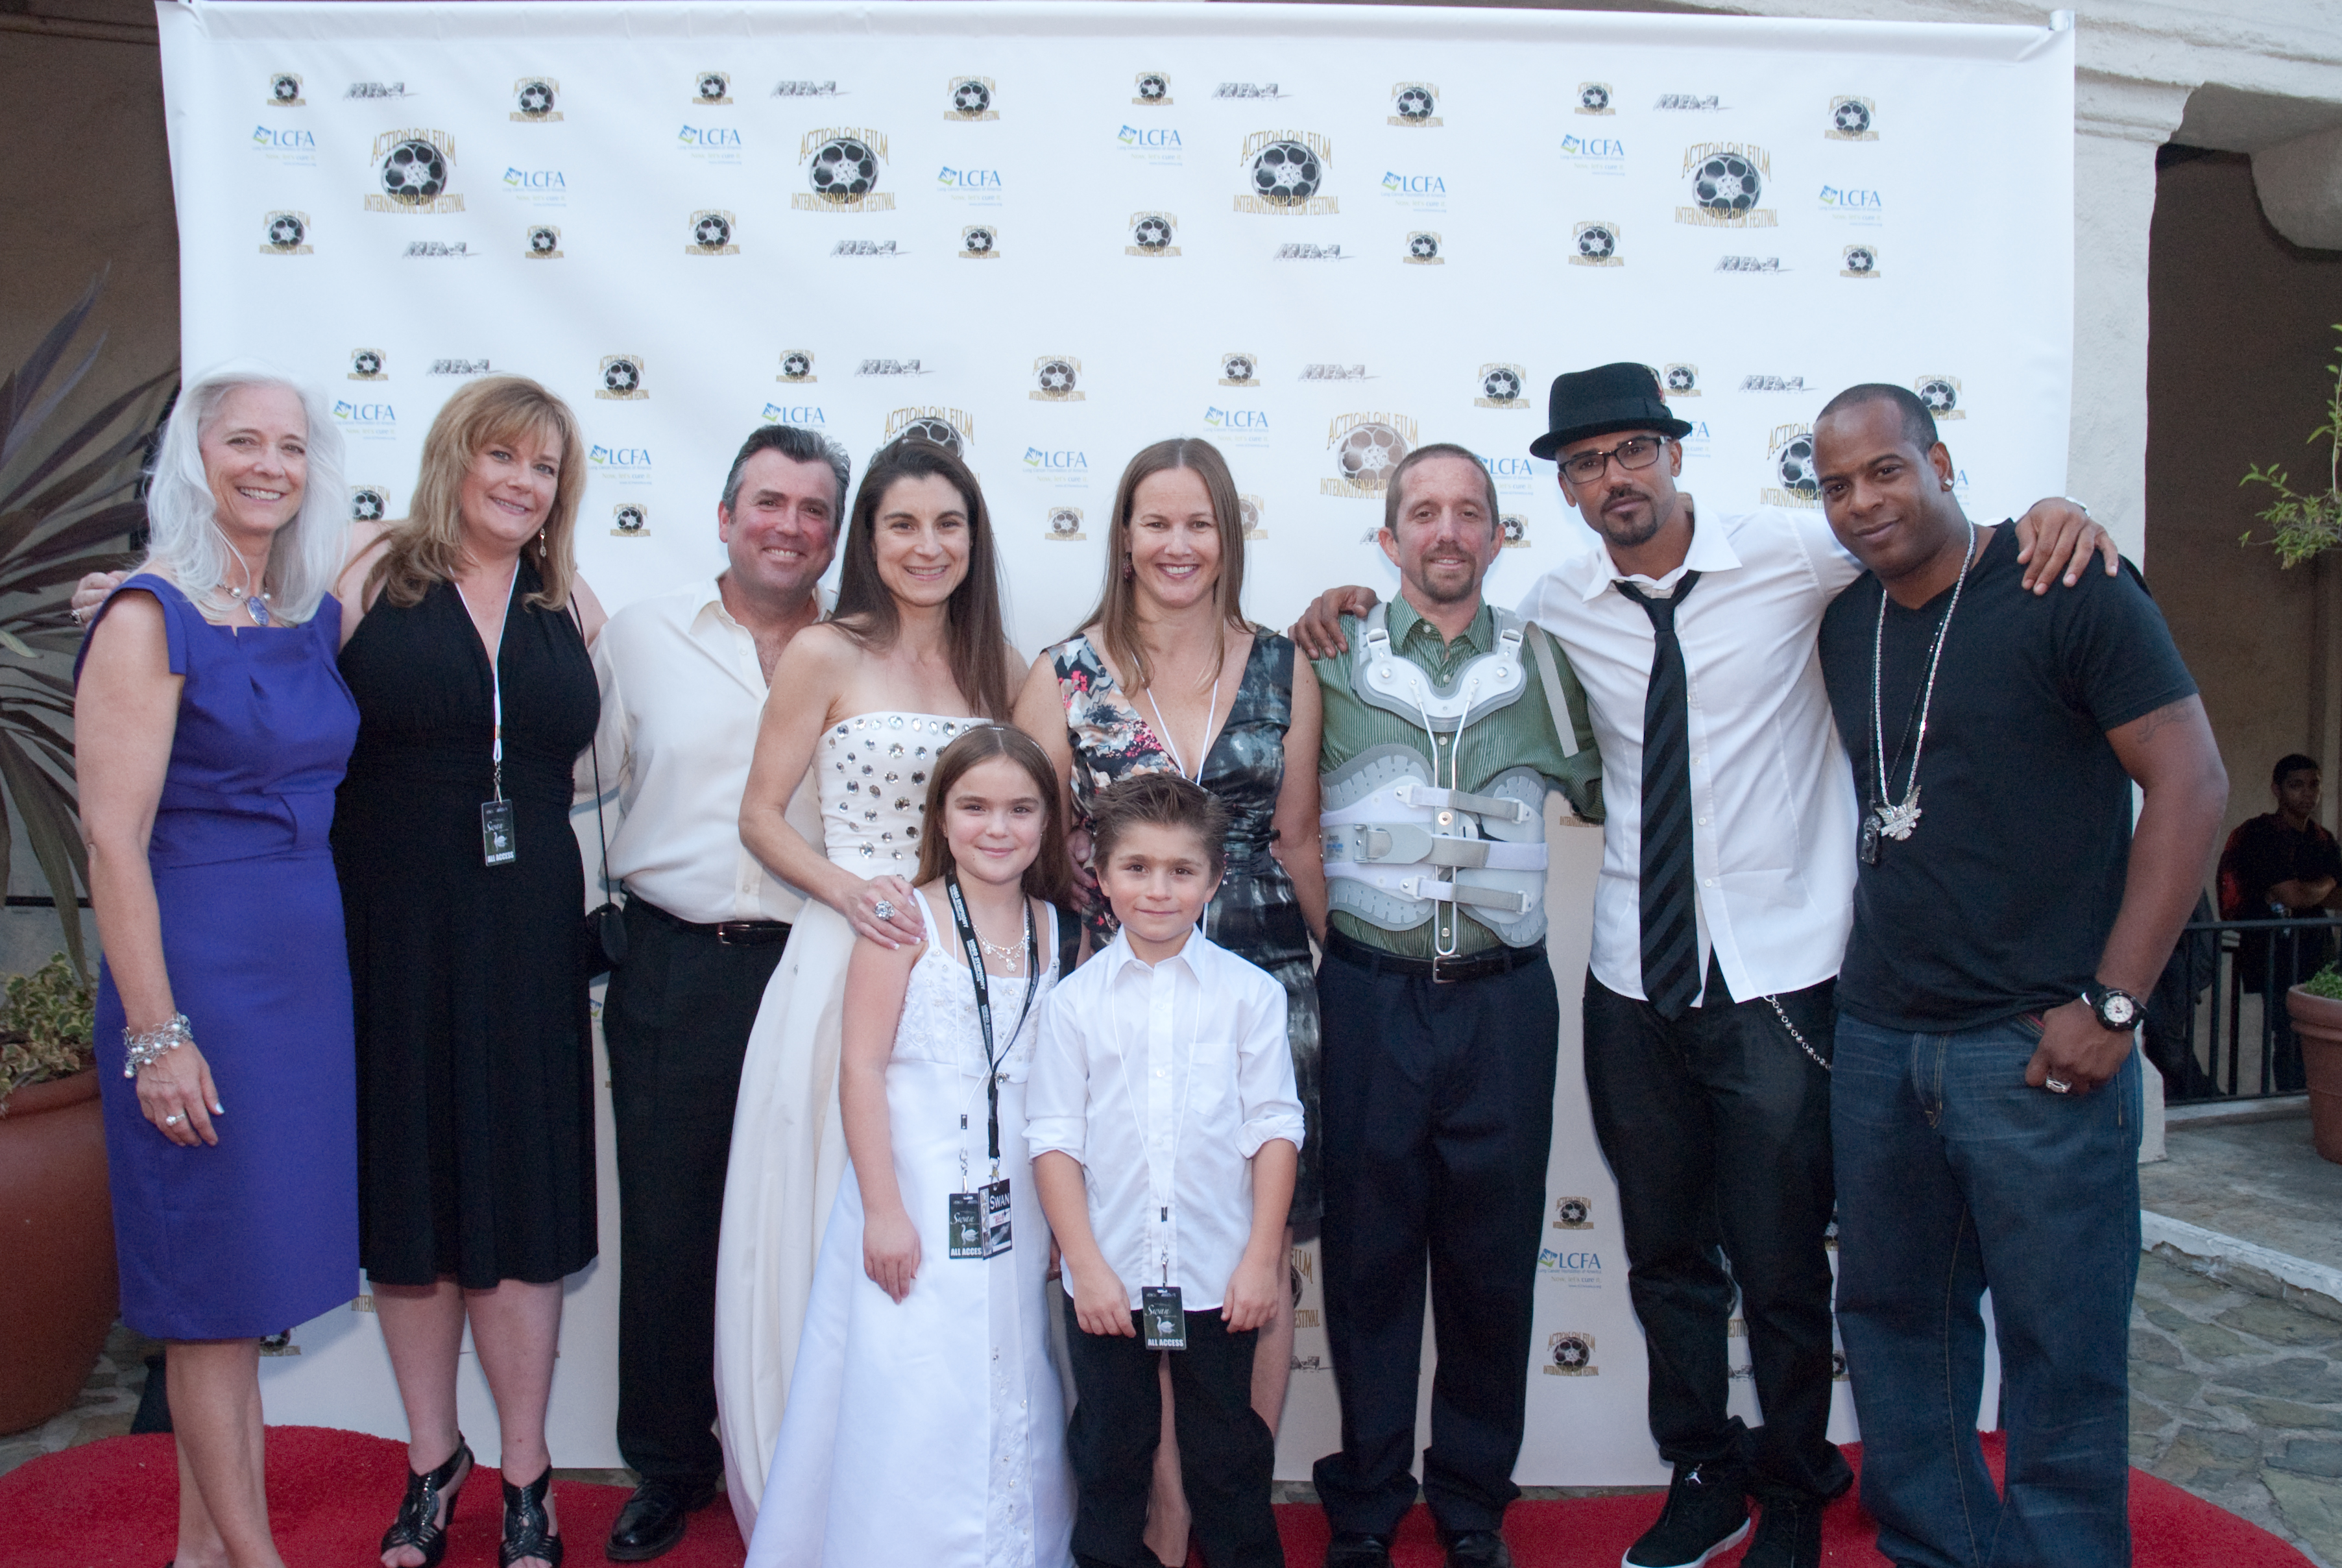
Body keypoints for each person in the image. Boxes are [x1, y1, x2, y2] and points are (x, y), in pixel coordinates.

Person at [1290, 363, 2115, 1568]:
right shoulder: (1561, 608)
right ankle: (1704, 1470)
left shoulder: (1798, 555)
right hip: (1631, 973)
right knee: (1667, 1255)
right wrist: (1337, 600)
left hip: (1780, 969)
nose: (1613, 477)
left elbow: (1931, 542)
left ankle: (1792, 1483)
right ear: (1563, 493)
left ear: (1674, 454)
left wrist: (2045, 517)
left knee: (1782, 1258)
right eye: (1585, 463)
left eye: (1633, 450)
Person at [1811, 383, 2227, 1568]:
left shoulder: (2068, 583)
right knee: (1893, 1329)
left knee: (2063, 1347)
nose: (1862, 502)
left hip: (2038, 1047)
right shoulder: (1846, 622)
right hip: (1883, 1041)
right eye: (1836, 485)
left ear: (1940, 460)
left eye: (1886, 470)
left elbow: (2193, 785)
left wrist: (2113, 1003)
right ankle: (1938, 1549)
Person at [1011, 437, 1324, 1565]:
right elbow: (1029, 840)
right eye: (1157, 522)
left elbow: (1296, 839)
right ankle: (1146, 1521)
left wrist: (1350, 976)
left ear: (1228, 537)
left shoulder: (1290, 663)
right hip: (1110, 982)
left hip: (1268, 991)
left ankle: (1220, 1504)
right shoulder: (1063, 672)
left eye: (1201, 524)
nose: (1179, 545)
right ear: (1125, 535)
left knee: (1255, 1254)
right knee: (1125, 1243)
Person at [714, 437, 1025, 1540]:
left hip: (971, 984)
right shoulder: (825, 650)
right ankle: (820, 1495)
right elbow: (758, 815)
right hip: (846, 961)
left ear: (974, 540)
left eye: (948, 525)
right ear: (869, 539)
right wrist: (855, 895)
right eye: (901, 525)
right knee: (834, 1221)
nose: (926, 546)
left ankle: (941, 1488)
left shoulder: (1005, 669)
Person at [75, 368, 357, 1568]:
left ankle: (203, 1551)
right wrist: (156, 1032)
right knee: (209, 1300)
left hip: (302, 982)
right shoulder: (148, 614)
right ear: (192, 457)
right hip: (196, 979)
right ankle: (253, 1556)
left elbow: (447, 527)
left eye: (290, 447)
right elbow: (110, 841)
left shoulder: (296, 610)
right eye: (242, 440)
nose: (269, 466)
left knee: (245, 1297)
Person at [1303, 444, 1602, 1568]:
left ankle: (1473, 1498)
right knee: (1369, 1260)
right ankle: (1369, 1501)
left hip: (1505, 1007)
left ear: (1497, 536)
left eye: (1469, 512)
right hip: (1373, 999)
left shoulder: (1548, 664)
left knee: (1492, 1257)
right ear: (1387, 541)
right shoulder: (1325, 658)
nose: (1446, 530)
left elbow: (1612, 790)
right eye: (1421, 512)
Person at [335, 376, 607, 1568]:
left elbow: (596, 762)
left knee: (526, 1201)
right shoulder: (363, 576)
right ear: (454, 456)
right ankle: (431, 1458)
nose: (520, 481)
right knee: (415, 1195)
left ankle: (528, 1471)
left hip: (529, 933)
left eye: (543, 467)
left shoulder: (569, 603)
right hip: (393, 926)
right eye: (501, 456)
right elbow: (240, 650)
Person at [585, 424, 846, 1562]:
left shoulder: (868, 649)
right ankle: (671, 1464)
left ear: (836, 533)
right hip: (675, 961)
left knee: (811, 1222)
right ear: (727, 514)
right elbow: (579, 775)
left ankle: (808, 1446)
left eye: (813, 510)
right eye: (768, 502)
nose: (788, 526)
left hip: (817, 968)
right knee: (669, 1228)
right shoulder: (642, 637)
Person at [747, 726, 1078, 1568]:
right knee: (913, 1378)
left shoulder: (1055, 929)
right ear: (940, 815)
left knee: (1011, 1371)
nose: (995, 828)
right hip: (911, 1195)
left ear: (1047, 822)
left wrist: (1057, 1219)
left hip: (1009, 1204)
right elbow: (859, 1068)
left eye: (1018, 809)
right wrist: (885, 1213)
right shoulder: (900, 919)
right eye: (974, 807)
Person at [1028, 772, 1305, 1568]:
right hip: (1108, 1279)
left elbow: (1275, 1127)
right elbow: (1055, 1139)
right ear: (1102, 875)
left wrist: (1261, 1260)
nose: (1158, 889)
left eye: (1181, 870)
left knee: (1227, 1455)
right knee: (1112, 1453)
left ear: (1215, 878)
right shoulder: (1073, 1004)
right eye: (1136, 867)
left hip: (1222, 1278)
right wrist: (1085, 1263)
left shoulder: (1251, 994)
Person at [2216, 753, 2341, 1091]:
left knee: (2319, 1034)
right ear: (2277, 789)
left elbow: (2330, 897)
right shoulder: (2260, 834)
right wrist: (2326, 882)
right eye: (2296, 785)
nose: (2307, 793)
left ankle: (2310, 1100)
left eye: (2314, 784)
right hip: (2273, 951)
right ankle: (2292, 1098)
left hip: (2317, 951)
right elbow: (2295, 897)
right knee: (2287, 1034)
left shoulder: (2322, 838)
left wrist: (2311, 888)